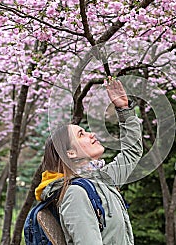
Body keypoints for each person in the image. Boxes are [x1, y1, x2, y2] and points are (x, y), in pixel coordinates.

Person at [35, 76, 143, 245]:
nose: (91, 134)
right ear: (70, 153)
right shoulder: (75, 194)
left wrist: (123, 109)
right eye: (81, 134)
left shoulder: (102, 179)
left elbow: (132, 152)